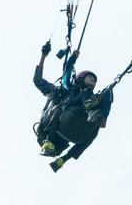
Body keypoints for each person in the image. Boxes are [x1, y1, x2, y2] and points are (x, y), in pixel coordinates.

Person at [33, 43, 113, 172]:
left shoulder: (91, 96)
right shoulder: (61, 91)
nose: (93, 79)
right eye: (90, 76)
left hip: (77, 132)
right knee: (63, 103)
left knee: (106, 93)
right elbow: (38, 80)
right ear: (80, 78)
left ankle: (63, 159)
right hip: (53, 131)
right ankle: (49, 144)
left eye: (95, 79)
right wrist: (44, 55)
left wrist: (104, 115)